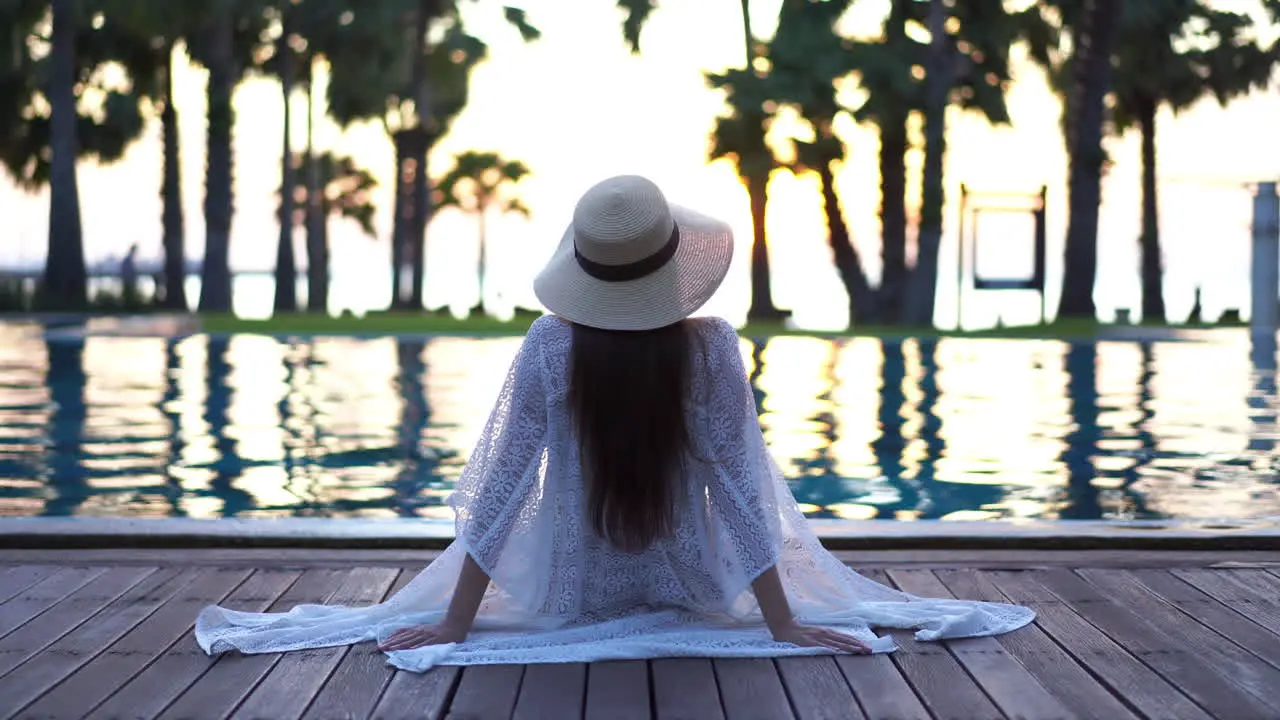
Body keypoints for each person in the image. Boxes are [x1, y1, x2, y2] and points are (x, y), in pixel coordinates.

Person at [195, 175, 1034, 672]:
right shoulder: (709, 350)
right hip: (693, 584)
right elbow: (743, 495)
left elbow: (501, 490)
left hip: (575, 590)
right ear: (670, 265)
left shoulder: (551, 346)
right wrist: (780, 622)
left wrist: (456, 621)